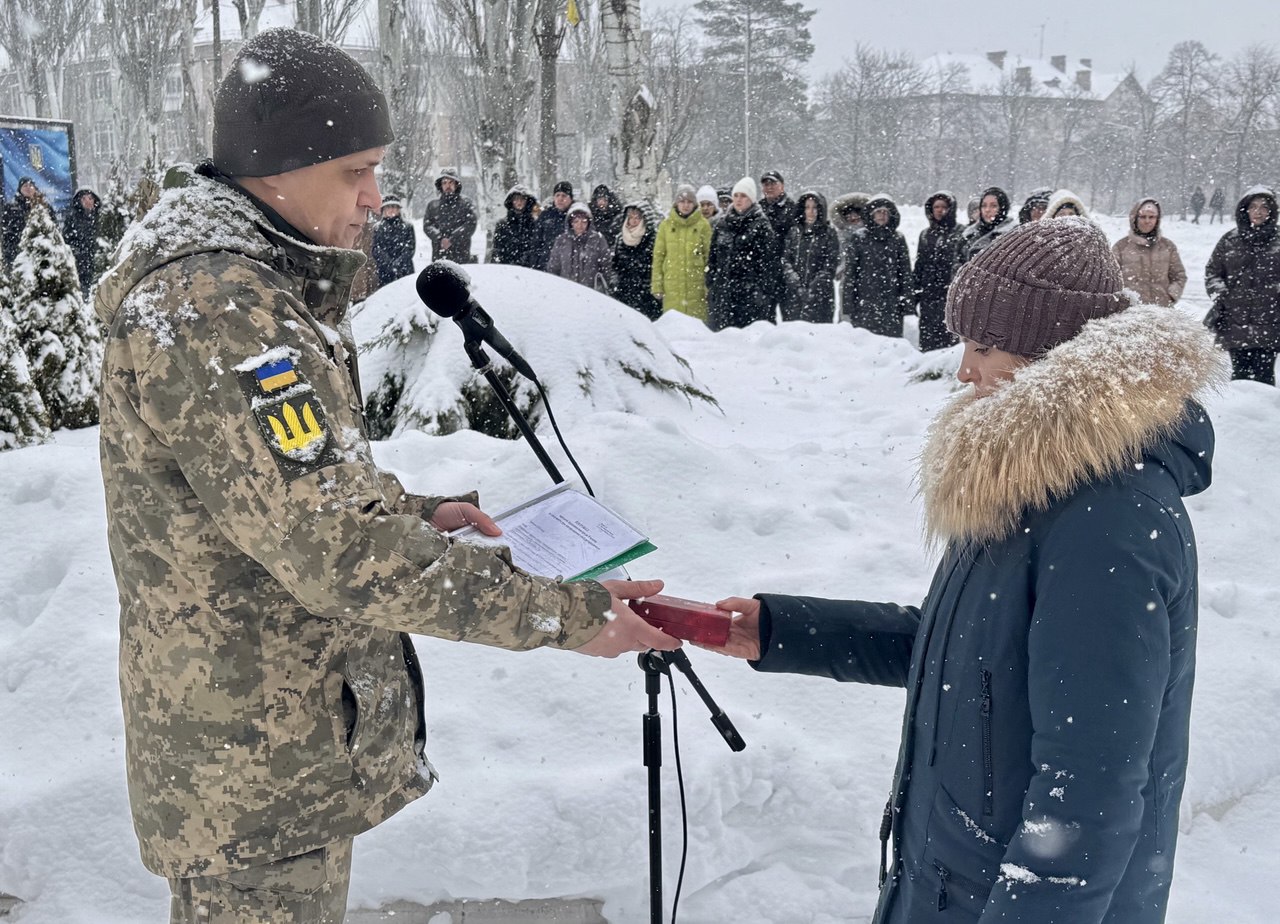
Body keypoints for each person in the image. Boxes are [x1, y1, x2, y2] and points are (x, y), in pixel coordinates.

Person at [92, 29, 677, 924]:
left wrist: (417, 510)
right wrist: (569, 615)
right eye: (354, 172)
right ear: (276, 168)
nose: (374, 197)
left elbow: (290, 492)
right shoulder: (221, 308)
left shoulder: (251, 288)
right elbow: (334, 548)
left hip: (270, 747)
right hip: (249, 764)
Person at [703, 218, 1225, 924]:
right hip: (951, 880)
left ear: (1051, 360)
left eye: (983, 346)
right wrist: (781, 631)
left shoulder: (1107, 517)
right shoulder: (1031, 478)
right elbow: (968, 658)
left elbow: (1087, 791)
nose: (963, 371)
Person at [1205, 185, 1280, 384]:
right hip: (1235, 322)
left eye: (1264, 207)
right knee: (1239, 377)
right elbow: (1213, 272)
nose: (1258, 212)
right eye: (1253, 207)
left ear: (1271, 211)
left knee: (1265, 377)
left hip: (1270, 322)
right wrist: (1221, 293)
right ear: (1245, 210)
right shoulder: (1230, 240)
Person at [706, 177, 777, 331]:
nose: (738, 199)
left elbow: (769, 264)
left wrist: (761, 292)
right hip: (723, 295)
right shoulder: (722, 224)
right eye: (736, 195)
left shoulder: (762, 226)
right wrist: (712, 282)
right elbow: (713, 258)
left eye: (743, 196)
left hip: (750, 296)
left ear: (751, 199)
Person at [841, 195, 913, 338]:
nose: (882, 215)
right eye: (878, 212)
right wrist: (848, 303)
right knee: (865, 342)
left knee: (891, 344)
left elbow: (905, 272)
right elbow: (850, 273)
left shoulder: (897, 238)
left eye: (885, 212)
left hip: (892, 302)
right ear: (871, 215)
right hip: (864, 301)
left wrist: (907, 302)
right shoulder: (859, 238)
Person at [651, 185, 713, 324]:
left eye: (689, 202)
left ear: (694, 204)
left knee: (696, 328)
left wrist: (708, 286)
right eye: (682, 201)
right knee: (674, 327)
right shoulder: (665, 226)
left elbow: (709, 258)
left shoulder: (703, 225)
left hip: (696, 288)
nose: (685, 205)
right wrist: (657, 285)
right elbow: (658, 257)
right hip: (672, 287)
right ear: (676, 203)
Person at [1112, 197, 1187, 308]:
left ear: (1157, 219)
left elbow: (1179, 276)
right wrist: (1121, 301)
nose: (1147, 221)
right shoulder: (1121, 247)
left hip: (1162, 311)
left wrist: (1170, 296)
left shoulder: (1167, 246)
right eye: (1143, 217)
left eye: (1151, 217)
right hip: (1130, 311)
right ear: (1134, 218)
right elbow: (1110, 279)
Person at [913, 191, 964, 351]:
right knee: (928, 337)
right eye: (936, 207)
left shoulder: (961, 232)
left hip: (950, 294)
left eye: (944, 207)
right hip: (928, 295)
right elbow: (920, 265)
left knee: (950, 339)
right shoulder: (925, 234)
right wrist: (915, 293)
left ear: (951, 209)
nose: (940, 210)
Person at [780, 191, 839, 323]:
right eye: (807, 207)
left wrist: (813, 287)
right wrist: (796, 284)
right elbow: (786, 260)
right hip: (793, 296)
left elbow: (830, 265)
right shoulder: (793, 232)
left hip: (821, 298)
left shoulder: (829, 233)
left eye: (815, 208)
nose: (811, 212)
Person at [546, 202, 616, 294]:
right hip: (566, 291)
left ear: (589, 222)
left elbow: (606, 266)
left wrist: (604, 286)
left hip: (592, 292)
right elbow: (553, 267)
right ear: (570, 223)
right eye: (576, 221)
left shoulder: (598, 240)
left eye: (584, 221)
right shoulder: (561, 240)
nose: (580, 225)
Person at [612, 201, 662, 320]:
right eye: (631, 217)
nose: (633, 221)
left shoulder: (653, 238)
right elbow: (615, 265)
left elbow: (658, 263)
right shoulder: (620, 239)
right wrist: (616, 283)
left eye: (637, 218)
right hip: (625, 292)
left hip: (648, 294)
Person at [758, 169, 795, 312]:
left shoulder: (793, 208)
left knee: (790, 316)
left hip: (786, 271)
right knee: (764, 317)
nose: (769, 187)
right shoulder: (758, 209)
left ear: (782, 186)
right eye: (766, 184)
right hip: (764, 272)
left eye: (773, 183)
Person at [422, 168, 477, 263]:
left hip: (461, 254)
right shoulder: (433, 205)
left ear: (456, 184)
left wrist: (452, 239)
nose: (448, 185)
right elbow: (427, 226)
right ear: (441, 185)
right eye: (444, 183)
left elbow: (470, 225)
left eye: (451, 182)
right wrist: (440, 238)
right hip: (439, 254)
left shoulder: (466, 204)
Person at [62, 187, 102, 296]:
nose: (87, 201)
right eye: (83, 198)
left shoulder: (102, 218)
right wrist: (78, 251)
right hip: (80, 263)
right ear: (79, 201)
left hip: (99, 262)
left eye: (90, 198)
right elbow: (67, 240)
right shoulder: (72, 218)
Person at [491, 184, 541, 268]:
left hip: (529, 269)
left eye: (522, 199)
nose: (519, 202)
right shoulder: (502, 224)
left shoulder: (535, 224)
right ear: (511, 201)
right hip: (506, 267)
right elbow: (497, 250)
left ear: (527, 201)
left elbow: (537, 248)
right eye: (516, 199)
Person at [959, 186, 1013, 263]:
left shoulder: (1011, 234)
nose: (987, 210)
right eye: (984, 205)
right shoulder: (968, 235)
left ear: (1002, 208)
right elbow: (957, 263)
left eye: (993, 206)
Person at [371, 194, 416, 286]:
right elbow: (376, 249)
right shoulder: (377, 228)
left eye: (394, 207)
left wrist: (398, 263)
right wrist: (388, 263)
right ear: (383, 210)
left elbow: (410, 248)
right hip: (384, 271)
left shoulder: (408, 227)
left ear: (398, 209)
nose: (391, 210)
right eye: (388, 207)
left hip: (405, 269)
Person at [3, 176, 45, 265]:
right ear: (20, 190)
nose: (28, 188)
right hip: (18, 252)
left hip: (41, 252)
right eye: (25, 186)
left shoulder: (44, 206)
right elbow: (6, 233)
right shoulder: (11, 208)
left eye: (31, 185)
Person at [536, 181, 574, 268]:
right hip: (546, 264)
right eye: (557, 195)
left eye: (564, 196)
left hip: (570, 265)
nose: (560, 199)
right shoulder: (545, 216)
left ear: (570, 198)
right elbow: (536, 242)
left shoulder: (576, 216)